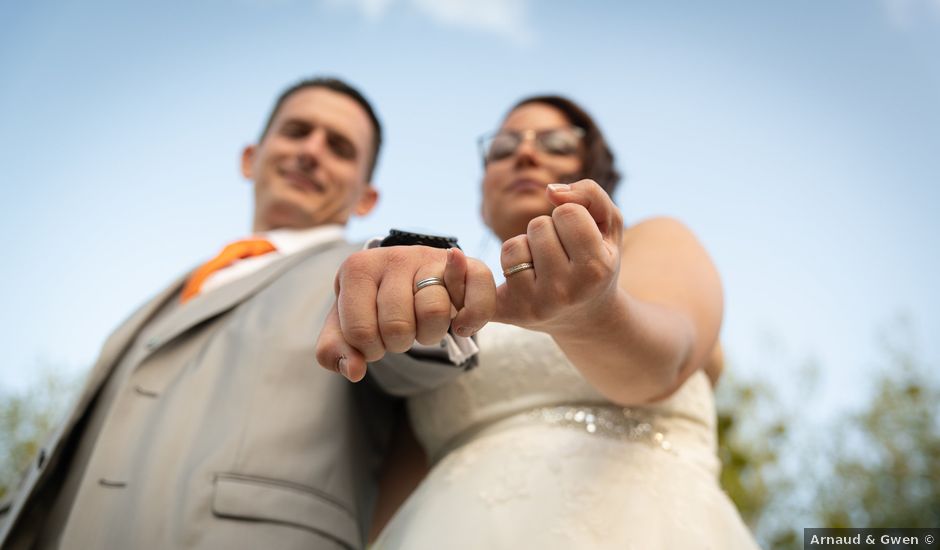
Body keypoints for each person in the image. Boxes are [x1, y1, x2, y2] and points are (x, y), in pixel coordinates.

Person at [0, 77, 493, 550]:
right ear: (250, 159)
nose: (311, 150)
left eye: (339, 148)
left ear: (366, 197)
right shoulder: (168, 291)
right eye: (297, 131)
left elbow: (419, 352)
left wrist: (419, 287)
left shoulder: (363, 268)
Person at [351, 95, 760, 548]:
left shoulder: (657, 242)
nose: (525, 154)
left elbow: (660, 366)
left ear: (593, 172)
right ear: (483, 192)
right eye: (502, 149)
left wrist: (591, 314)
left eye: (556, 143)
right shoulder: (444, 306)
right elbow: (397, 488)